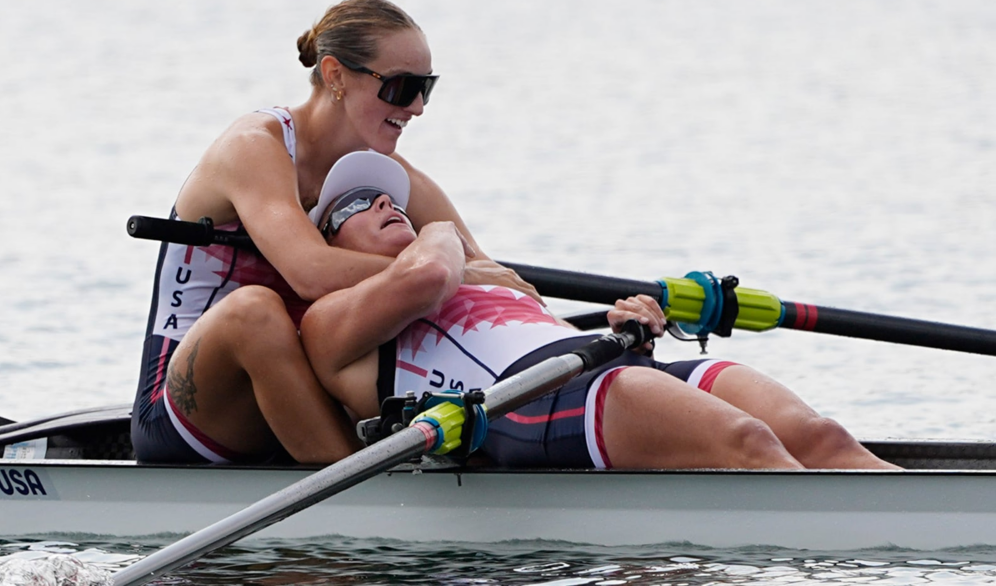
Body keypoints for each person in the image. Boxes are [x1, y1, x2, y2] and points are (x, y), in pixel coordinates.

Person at [300, 153, 900, 470]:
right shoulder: (327, 321)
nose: (386, 202)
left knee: (823, 439)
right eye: (356, 203)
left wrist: (633, 334)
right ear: (324, 243)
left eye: (392, 197)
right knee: (748, 443)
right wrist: (440, 231)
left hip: (600, 372)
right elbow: (429, 272)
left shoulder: (484, 277)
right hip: (521, 402)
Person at [133, 0, 537, 465]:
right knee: (255, 312)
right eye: (402, 86)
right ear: (335, 75)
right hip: (185, 408)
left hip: (302, 388)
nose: (419, 107)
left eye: (427, 87)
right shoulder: (253, 148)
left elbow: (497, 283)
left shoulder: (395, 177)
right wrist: (447, 272)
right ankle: (359, 492)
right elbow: (312, 272)